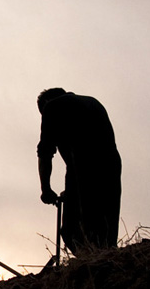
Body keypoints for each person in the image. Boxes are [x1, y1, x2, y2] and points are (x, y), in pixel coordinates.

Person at [36, 88, 122, 253]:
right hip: (111, 165)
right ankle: (108, 258)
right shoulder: (94, 102)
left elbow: (45, 153)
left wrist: (45, 189)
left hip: (84, 166)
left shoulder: (52, 106)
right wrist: (71, 190)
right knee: (106, 227)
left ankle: (91, 265)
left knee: (72, 230)